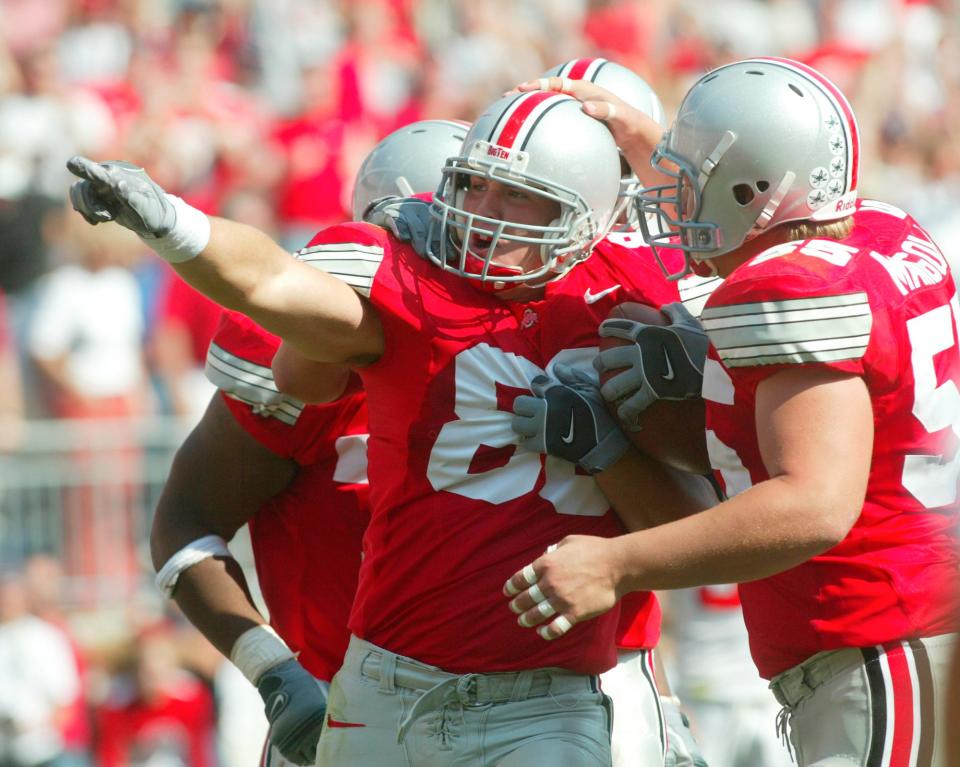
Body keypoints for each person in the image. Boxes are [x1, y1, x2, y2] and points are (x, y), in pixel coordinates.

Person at [68, 89, 710, 767]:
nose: (472, 225)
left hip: (562, 683)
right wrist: (276, 675)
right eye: (464, 194)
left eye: (512, 197)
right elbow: (274, 291)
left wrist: (612, 446)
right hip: (367, 680)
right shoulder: (387, 294)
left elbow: (700, 512)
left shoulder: (618, 307)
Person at [504, 58, 960, 765]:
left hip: (878, 644)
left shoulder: (784, 289)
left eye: (692, 182)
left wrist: (615, 563)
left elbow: (813, 504)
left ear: (755, 191)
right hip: (904, 634)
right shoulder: (883, 229)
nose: (674, 202)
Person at [151, 119, 467, 767]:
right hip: (348, 711)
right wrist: (276, 674)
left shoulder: (529, 333)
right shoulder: (306, 365)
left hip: (520, 709)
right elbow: (185, 522)